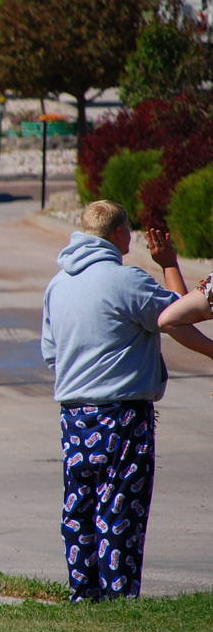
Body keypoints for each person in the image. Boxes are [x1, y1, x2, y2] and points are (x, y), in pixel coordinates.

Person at [41, 201, 212, 601]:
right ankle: (119, 598)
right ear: (119, 235)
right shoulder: (126, 281)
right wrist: (169, 263)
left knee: (79, 510)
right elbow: (179, 314)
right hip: (122, 414)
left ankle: (83, 595)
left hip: (73, 417)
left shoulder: (57, 285)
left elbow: (51, 353)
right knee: (120, 512)